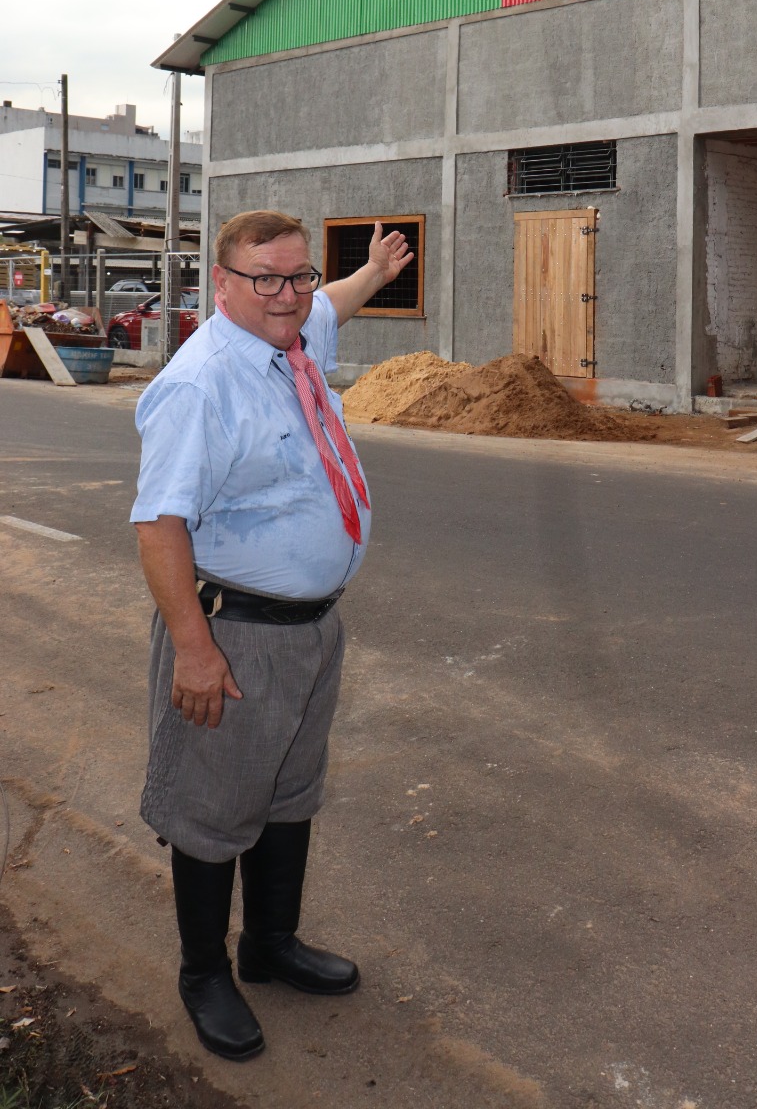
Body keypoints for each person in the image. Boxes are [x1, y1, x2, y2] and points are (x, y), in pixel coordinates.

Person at [131, 209, 412, 1061]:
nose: (288, 295)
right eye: (266, 279)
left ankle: (270, 945)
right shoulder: (200, 383)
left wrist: (370, 274)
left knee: (289, 796)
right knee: (214, 813)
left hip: (310, 631)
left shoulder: (292, 334)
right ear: (222, 284)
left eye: (299, 277)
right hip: (235, 635)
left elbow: (334, 305)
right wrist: (193, 649)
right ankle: (203, 972)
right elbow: (159, 524)